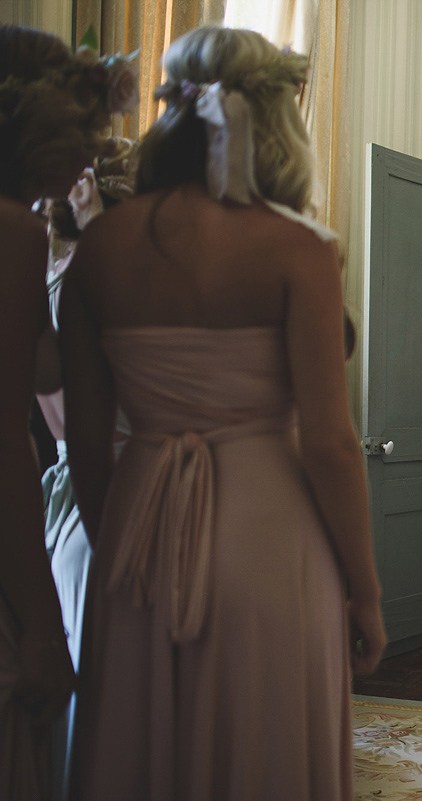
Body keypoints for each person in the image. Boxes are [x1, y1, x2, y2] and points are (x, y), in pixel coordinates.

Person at [59, 26, 385, 801]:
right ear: (275, 120)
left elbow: (85, 443)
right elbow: (332, 446)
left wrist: (117, 555)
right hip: (266, 539)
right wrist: (365, 591)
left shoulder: (99, 247)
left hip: (137, 530)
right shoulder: (295, 248)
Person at [0, 25, 129, 800]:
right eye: (78, 132)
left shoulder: (36, 233)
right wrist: (45, 626)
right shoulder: (15, 231)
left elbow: (46, 366)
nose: (89, 157)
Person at [33, 138, 137, 801]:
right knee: (109, 675)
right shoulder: (101, 282)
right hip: (109, 488)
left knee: (94, 666)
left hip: (74, 486)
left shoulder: (45, 270)